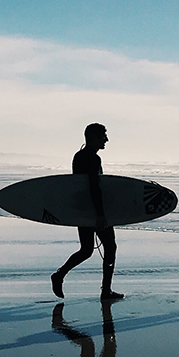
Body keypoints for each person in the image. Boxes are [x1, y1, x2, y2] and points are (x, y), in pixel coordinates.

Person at [50, 123, 122, 300]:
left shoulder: (79, 156)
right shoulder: (93, 159)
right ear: (93, 137)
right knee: (110, 247)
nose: (106, 139)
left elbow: (79, 187)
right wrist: (100, 214)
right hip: (93, 210)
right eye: (103, 135)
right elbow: (94, 187)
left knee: (87, 249)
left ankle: (59, 275)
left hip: (82, 209)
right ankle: (106, 291)